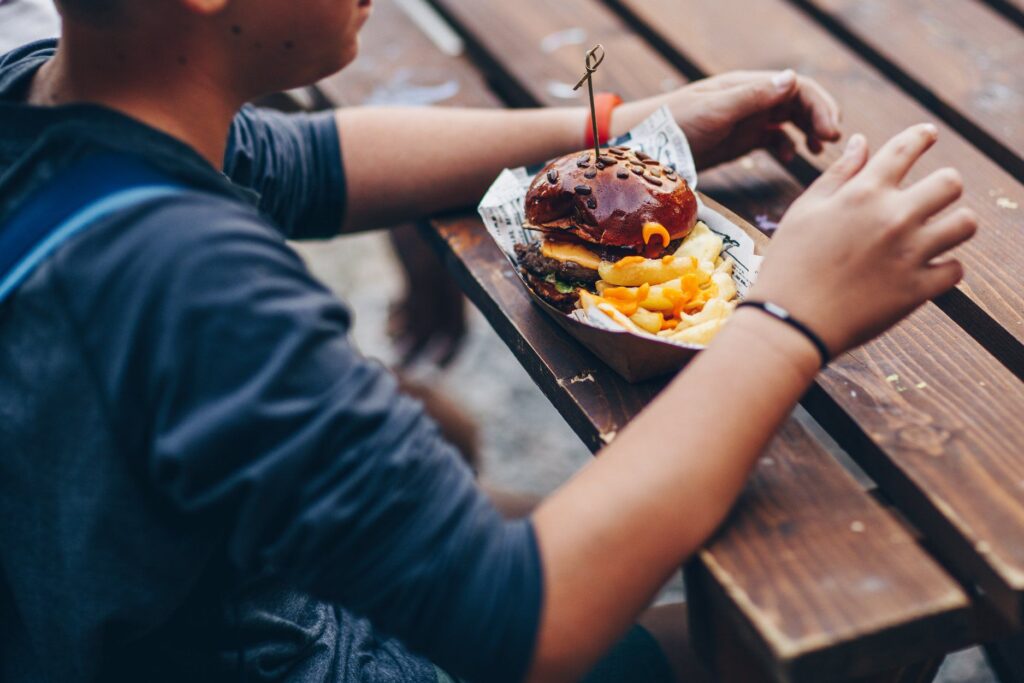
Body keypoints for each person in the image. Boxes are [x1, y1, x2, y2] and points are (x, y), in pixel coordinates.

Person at [0, 1, 976, 682]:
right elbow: (524, 619)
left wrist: (629, 125)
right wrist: (791, 316)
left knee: (470, 462)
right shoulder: (188, 280)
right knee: (827, 632)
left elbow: (303, 159)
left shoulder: (48, 97)